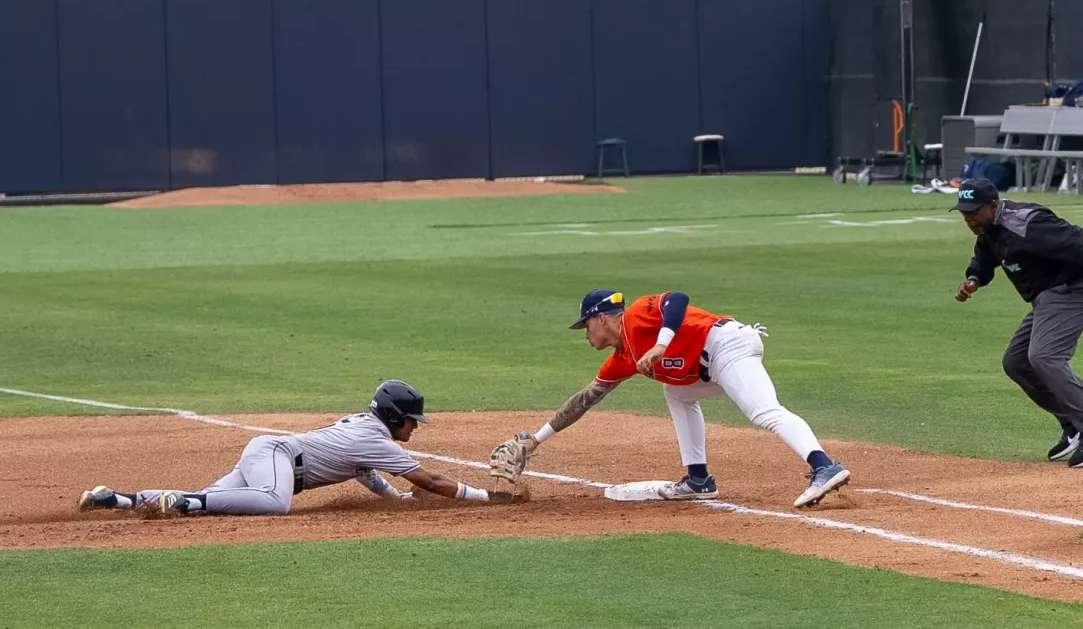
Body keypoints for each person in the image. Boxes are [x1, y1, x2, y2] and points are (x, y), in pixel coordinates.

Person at [491, 289, 850, 508]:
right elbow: (585, 399)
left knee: (764, 412)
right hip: (711, 367)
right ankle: (698, 480)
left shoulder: (636, 315)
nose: (585, 335)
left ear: (601, 319)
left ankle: (824, 466)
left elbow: (677, 299)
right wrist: (536, 439)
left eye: (585, 326)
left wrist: (661, 343)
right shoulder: (622, 358)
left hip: (727, 346)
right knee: (676, 392)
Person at [78, 380, 527, 516]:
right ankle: (186, 502)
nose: (415, 426)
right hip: (276, 458)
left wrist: (394, 498)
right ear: (394, 417)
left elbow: (364, 471)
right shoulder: (373, 437)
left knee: (212, 498)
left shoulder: (363, 429)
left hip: (270, 454)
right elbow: (429, 479)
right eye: (412, 419)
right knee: (274, 504)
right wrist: (485, 497)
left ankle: (115, 499)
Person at [950, 177, 1083, 468]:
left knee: (1044, 356)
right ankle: (1072, 423)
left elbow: (1079, 241)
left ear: (992, 205)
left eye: (973, 211)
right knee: (1016, 362)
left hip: (1073, 290)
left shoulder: (1028, 224)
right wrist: (974, 279)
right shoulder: (988, 228)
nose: (968, 218)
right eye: (964, 212)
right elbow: (985, 255)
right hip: (1047, 297)